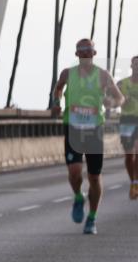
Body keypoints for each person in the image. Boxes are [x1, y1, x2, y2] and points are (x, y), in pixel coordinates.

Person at [51, 39, 125, 234]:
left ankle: (92, 218)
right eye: (82, 51)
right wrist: (57, 101)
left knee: (94, 176)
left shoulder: (102, 75)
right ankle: (78, 197)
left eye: (89, 51)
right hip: (73, 127)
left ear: (94, 53)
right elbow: (58, 89)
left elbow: (119, 98)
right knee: (75, 172)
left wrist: (110, 103)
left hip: (94, 130)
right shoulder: (68, 73)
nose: (85, 54)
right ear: (77, 54)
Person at [117, 55, 138, 200]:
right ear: (131, 66)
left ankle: (136, 182)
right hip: (126, 120)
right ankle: (133, 182)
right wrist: (122, 101)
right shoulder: (121, 84)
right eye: (135, 64)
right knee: (129, 156)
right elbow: (113, 100)